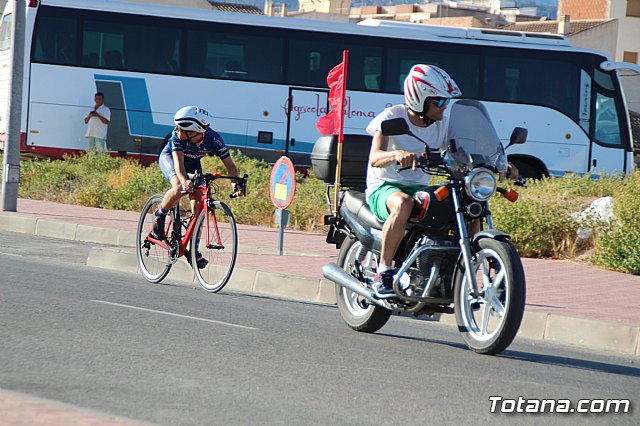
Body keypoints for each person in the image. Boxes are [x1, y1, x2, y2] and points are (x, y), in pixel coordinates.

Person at [365, 64, 517, 294]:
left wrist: (497, 162)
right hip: (385, 187)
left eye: (447, 102)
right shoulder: (392, 117)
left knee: (470, 209)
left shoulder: (444, 124)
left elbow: (463, 152)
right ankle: (383, 273)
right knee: (404, 203)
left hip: (420, 187)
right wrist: (395, 154)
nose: (445, 107)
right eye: (440, 102)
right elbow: (375, 157)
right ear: (419, 99)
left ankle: (463, 273)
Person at [152, 106, 244, 268]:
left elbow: (230, 165)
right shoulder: (176, 137)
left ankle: (192, 249)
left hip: (193, 163)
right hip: (171, 158)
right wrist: (185, 181)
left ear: (195, 131)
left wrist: (235, 184)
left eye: (181, 128)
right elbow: (179, 166)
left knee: (198, 204)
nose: (177, 130)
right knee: (179, 186)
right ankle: (160, 215)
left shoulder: (214, 139)